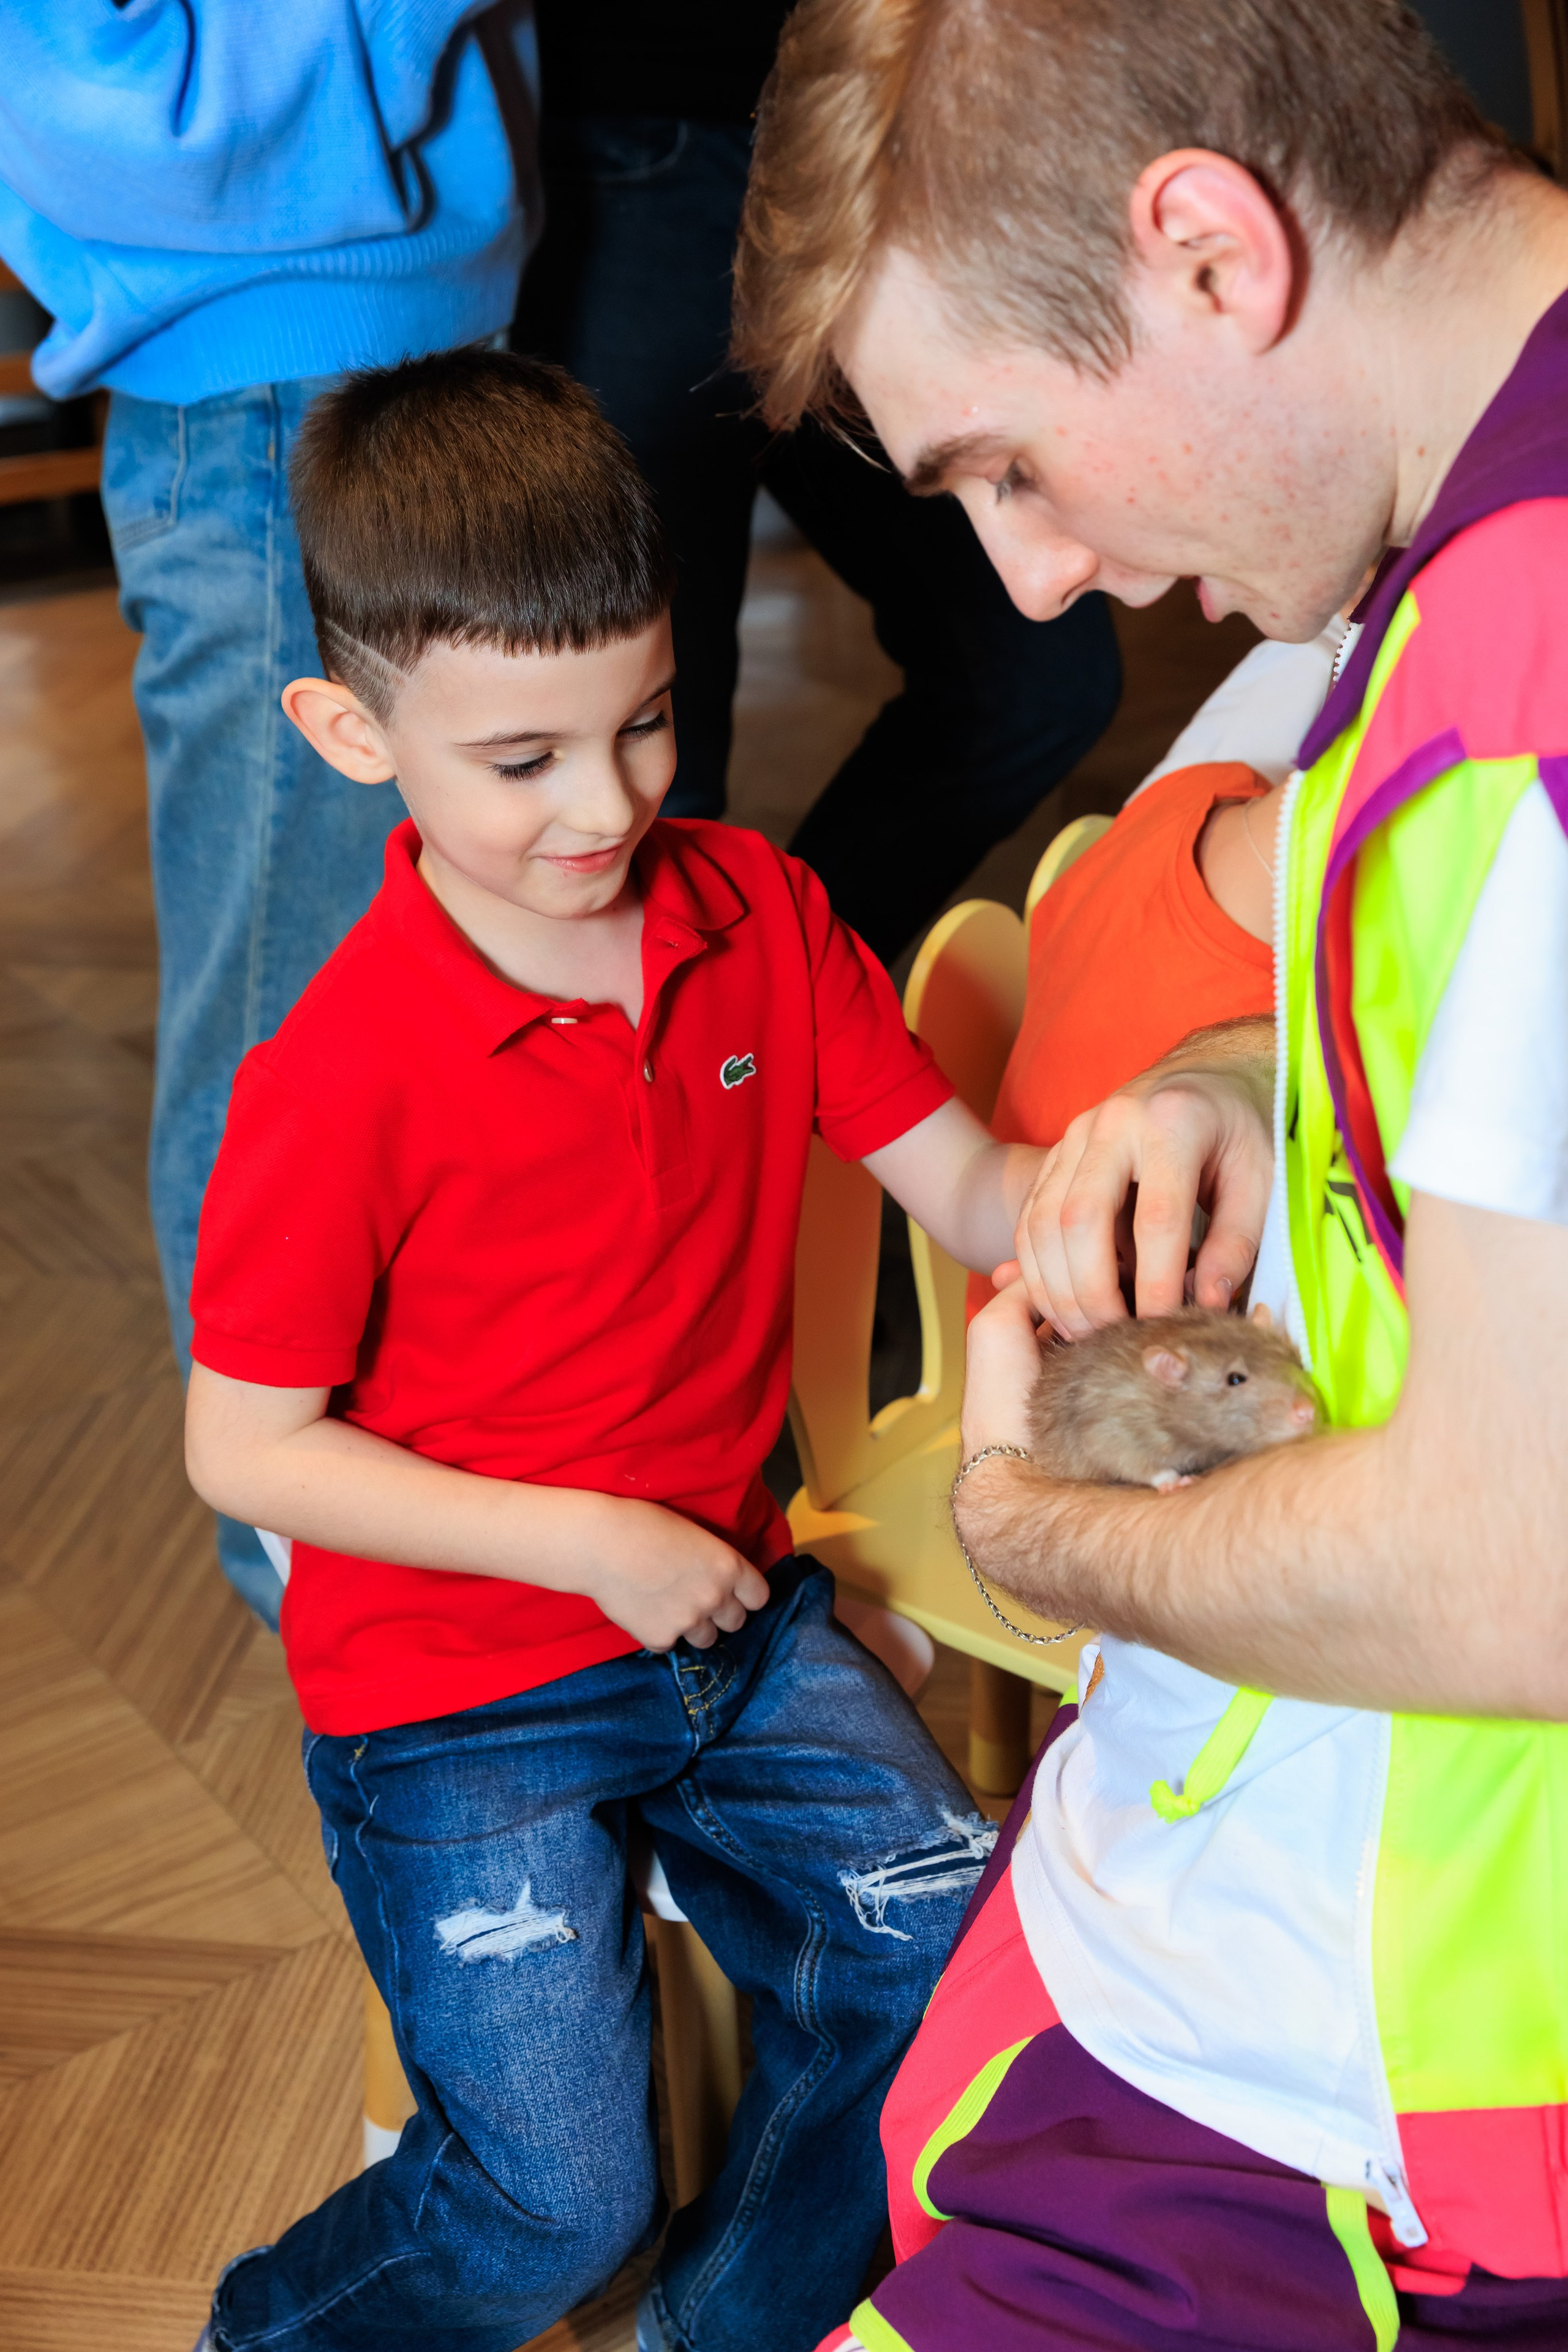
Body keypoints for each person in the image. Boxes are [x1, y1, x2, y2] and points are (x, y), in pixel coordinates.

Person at [733, 0, 1568, 2343]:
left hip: (1391, 2123)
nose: (1028, 578)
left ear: (1209, 249)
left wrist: (1031, 1534)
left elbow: (1515, 1573)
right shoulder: (1467, 553)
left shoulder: (1532, 669)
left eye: (1009, 463)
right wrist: (1238, 1066)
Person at [179, 348, 1062, 2352]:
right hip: (454, 1694)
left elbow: (970, 1187)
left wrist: (1124, 1186)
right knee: (554, 2205)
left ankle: (722, 2330)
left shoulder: (761, 915)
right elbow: (248, 1451)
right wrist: (590, 1541)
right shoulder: (337, 1079)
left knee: (939, 1958)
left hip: (728, 1619)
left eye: (647, 721)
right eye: (525, 761)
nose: (611, 805)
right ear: (350, 732)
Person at [0, 4, 541, 1624]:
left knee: (412, 1003)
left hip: (417, 332)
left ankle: (397, 1520)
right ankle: (310, 1583)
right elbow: (106, 95)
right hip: (260, 385)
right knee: (284, 1035)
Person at [513, 0, 1122, 966]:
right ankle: (688, 1040)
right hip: (636, 131)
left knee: (1039, 678)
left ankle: (781, 998)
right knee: (643, 776)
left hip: (878, 140)